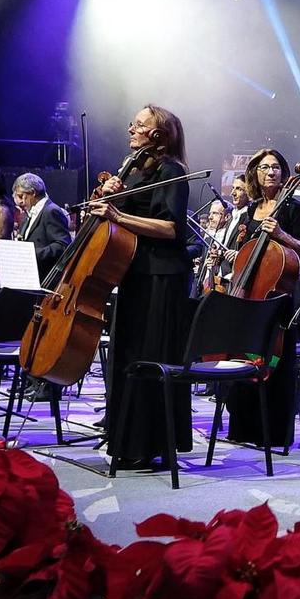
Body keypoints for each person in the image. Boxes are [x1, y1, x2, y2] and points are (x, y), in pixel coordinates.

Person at [95, 105, 196, 471]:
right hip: (133, 272)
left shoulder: (172, 171)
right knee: (127, 357)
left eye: (140, 125)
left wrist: (118, 214)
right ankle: (126, 440)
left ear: (159, 134)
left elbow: (172, 229)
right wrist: (109, 195)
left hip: (161, 276)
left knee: (150, 356)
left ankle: (150, 442)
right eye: (132, 123)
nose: (131, 129)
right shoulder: (136, 168)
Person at [224, 148, 300, 451]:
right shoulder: (250, 211)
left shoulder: (293, 209)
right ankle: (242, 427)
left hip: (280, 295)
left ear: (284, 174)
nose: (271, 172)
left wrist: (282, 235)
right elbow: (247, 251)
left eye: (276, 167)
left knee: (277, 363)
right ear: (255, 174)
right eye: (264, 167)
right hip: (250, 293)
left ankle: (273, 432)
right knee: (244, 360)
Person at [11, 173, 71, 277]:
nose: (19, 202)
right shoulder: (29, 213)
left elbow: (62, 245)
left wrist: (32, 254)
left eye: (21, 196)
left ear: (33, 192)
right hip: (30, 276)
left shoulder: (51, 211)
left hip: (45, 277)